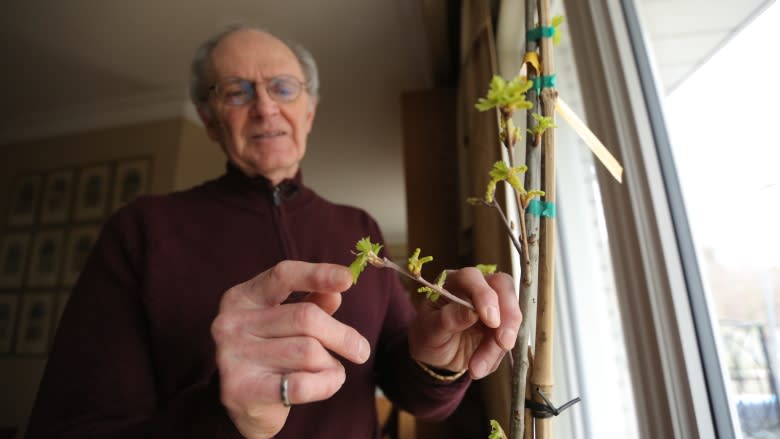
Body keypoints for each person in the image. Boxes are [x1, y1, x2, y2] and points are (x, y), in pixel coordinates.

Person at [26, 25, 522, 439]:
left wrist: (437, 359)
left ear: (309, 110)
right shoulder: (141, 232)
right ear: (210, 121)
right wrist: (227, 415)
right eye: (237, 92)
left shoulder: (359, 227)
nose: (264, 107)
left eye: (283, 87)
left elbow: (404, 383)